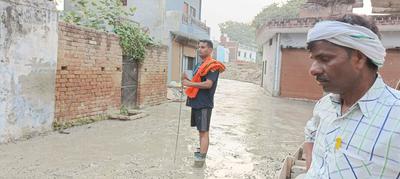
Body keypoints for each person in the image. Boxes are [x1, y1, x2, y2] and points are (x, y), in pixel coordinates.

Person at [302, 14, 400, 178]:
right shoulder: (325, 105)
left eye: (325, 58)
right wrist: (311, 170)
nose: (313, 69)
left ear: (359, 58)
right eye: (314, 59)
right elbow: (311, 132)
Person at [182, 39, 225, 162]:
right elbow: (194, 81)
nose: (200, 49)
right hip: (196, 102)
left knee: (204, 131)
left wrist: (190, 83)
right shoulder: (198, 65)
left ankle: (201, 160)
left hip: (204, 104)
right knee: (200, 131)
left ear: (210, 50)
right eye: (199, 47)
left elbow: (208, 84)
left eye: (203, 47)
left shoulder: (213, 66)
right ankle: (201, 152)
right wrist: (186, 80)